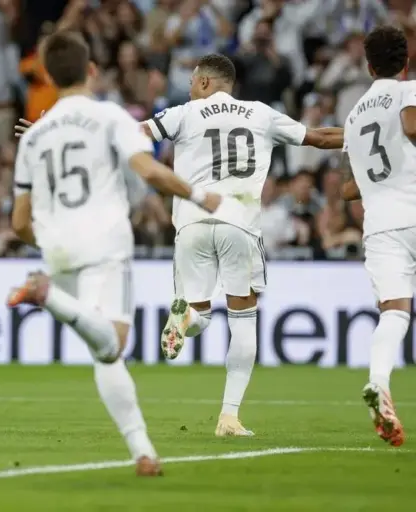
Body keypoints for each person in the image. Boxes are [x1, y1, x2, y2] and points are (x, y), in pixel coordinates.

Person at [7, 31, 224, 477]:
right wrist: (202, 196)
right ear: (92, 70)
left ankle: (143, 451)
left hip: (57, 246)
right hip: (104, 240)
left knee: (105, 354)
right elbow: (148, 170)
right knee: (115, 342)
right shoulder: (109, 116)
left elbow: (18, 223)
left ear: (47, 75)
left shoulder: (35, 135)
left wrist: (45, 241)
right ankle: (47, 295)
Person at [141, 53, 343, 437]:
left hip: (192, 223)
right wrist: (374, 132)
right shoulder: (261, 114)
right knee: (244, 322)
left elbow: (133, 136)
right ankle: (229, 417)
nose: (189, 89)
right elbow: (318, 138)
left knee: (200, 316)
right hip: (240, 226)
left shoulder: (182, 113)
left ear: (204, 83)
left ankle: (187, 317)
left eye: (191, 83)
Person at [340, 25, 414, 447]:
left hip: (381, 224)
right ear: (406, 62)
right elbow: (412, 126)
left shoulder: (354, 115)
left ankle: (378, 383)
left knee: (395, 313)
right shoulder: (410, 92)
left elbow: (349, 188)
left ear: (368, 66)